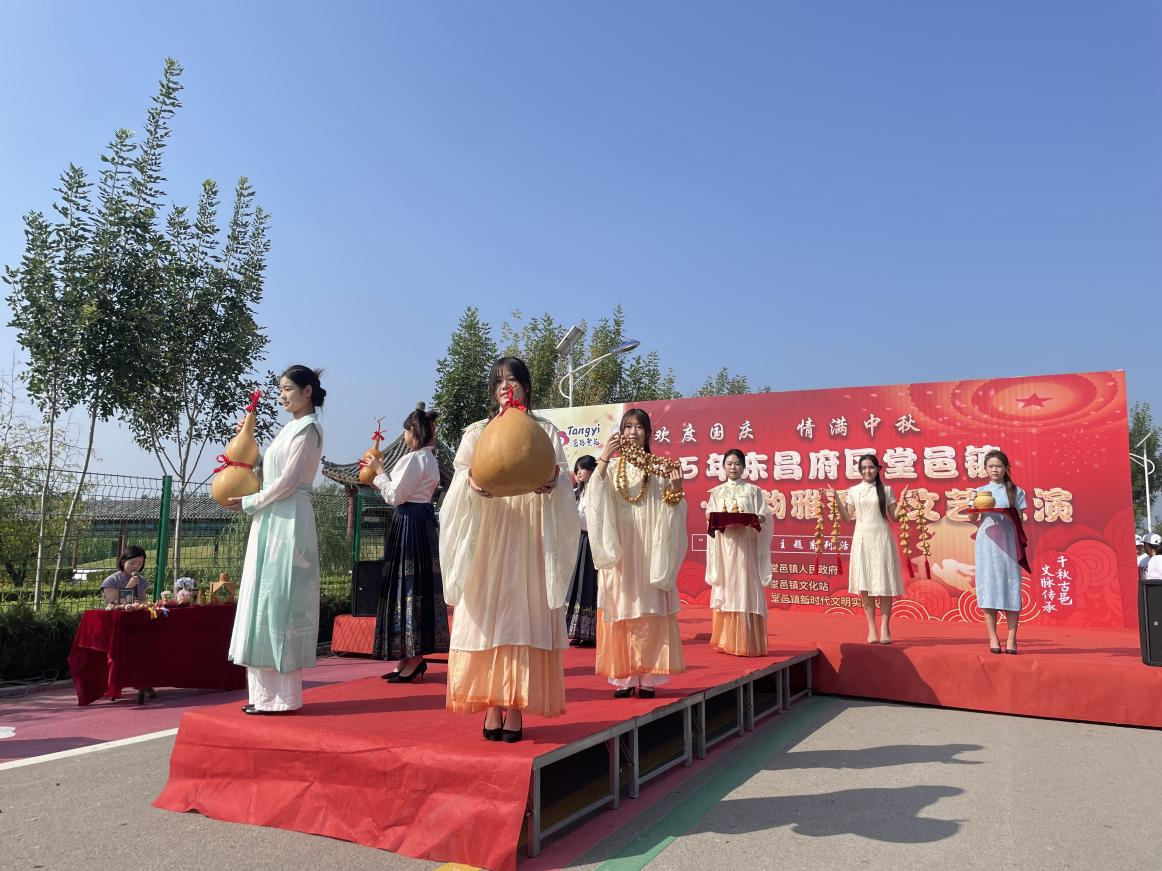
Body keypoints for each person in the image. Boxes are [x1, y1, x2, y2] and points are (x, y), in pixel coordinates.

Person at [440, 357, 579, 742]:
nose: (506, 386)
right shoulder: (477, 432)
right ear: (493, 390)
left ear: (526, 388)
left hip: (529, 532)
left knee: (521, 612)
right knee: (486, 614)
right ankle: (491, 703)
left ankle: (515, 704)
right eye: (499, 381)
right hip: (488, 531)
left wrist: (553, 481)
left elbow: (561, 477)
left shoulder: (544, 430)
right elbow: (460, 479)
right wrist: (471, 483)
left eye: (513, 379)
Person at [225, 365, 325, 714]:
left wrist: (249, 501)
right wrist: (245, 452)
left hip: (289, 517)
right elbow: (268, 474)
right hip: (269, 516)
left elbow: (288, 481)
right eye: (281, 390)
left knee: (281, 599)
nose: (282, 396)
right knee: (262, 596)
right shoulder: (288, 429)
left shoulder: (309, 429)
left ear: (308, 391)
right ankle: (262, 695)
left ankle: (283, 697)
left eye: (288, 389)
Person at [588, 408, 687, 698]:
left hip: (649, 545)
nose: (633, 432)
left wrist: (676, 488)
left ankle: (648, 676)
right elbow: (593, 496)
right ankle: (626, 677)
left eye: (639, 427)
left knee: (648, 607)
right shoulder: (611, 468)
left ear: (648, 433)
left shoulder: (659, 469)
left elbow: (672, 508)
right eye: (628, 427)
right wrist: (604, 457)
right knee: (622, 607)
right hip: (620, 545)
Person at [365, 405, 447, 682]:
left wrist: (379, 472)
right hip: (421, 522)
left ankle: (414, 658)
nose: (405, 436)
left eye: (407, 431)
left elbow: (396, 496)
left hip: (409, 522)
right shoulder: (430, 459)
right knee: (416, 587)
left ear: (414, 432)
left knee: (407, 586)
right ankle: (408, 656)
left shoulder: (414, 459)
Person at [826, 454, 909, 644]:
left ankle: (885, 627)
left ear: (878, 469)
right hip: (862, 539)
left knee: (884, 584)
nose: (867, 471)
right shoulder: (854, 491)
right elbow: (847, 517)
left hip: (882, 539)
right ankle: (871, 628)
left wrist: (903, 500)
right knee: (865, 585)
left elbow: (895, 517)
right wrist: (837, 499)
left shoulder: (886, 490)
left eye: (871, 467)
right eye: (863, 468)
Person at [705, 449, 773, 655]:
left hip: (745, 546)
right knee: (728, 585)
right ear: (723, 467)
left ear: (743, 466)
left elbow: (764, 515)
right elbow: (710, 515)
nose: (733, 468)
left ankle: (746, 642)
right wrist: (715, 518)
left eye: (737, 464)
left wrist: (757, 518)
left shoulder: (753, 491)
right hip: (725, 546)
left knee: (745, 585)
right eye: (729, 464)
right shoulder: (717, 492)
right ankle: (726, 640)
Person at [969, 449, 1027, 655]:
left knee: (1012, 588)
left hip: (1009, 544)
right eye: (991, 466)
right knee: (989, 588)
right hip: (987, 544)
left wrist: (1009, 514)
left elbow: (1021, 519)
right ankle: (992, 636)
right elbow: (972, 519)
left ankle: (1012, 638)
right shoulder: (979, 492)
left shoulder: (1017, 492)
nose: (994, 469)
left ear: (1007, 468)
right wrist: (973, 504)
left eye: (999, 466)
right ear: (985, 469)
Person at [564, 455, 599, 647]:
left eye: (583, 468)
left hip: (594, 543)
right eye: (576, 469)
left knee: (589, 585)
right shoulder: (576, 493)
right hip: (578, 541)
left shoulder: (598, 492)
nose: (578, 473)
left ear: (593, 471)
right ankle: (576, 630)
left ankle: (590, 632)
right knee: (575, 585)